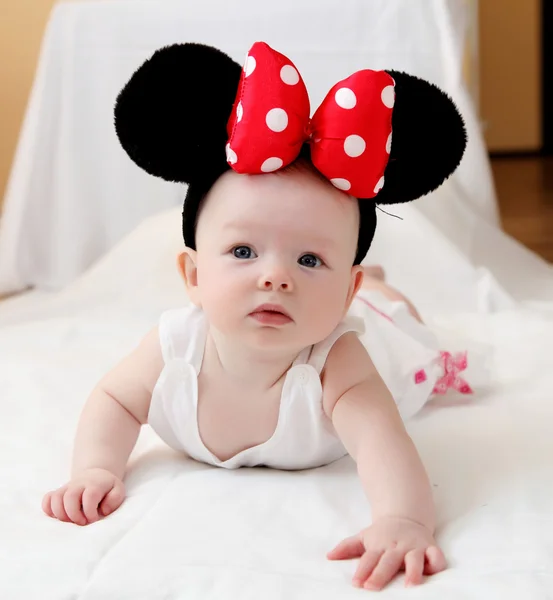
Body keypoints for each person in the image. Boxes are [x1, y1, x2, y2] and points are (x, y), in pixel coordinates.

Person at [42, 41, 470, 591]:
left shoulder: (337, 361)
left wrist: (404, 519)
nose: (275, 277)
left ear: (345, 290)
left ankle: (380, 289)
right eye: (243, 252)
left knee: (399, 319)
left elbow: (382, 442)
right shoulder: (174, 346)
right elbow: (115, 399)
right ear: (194, 276)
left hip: (380, 337)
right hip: (324, 304)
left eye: (310, 259)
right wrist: (96, 468)